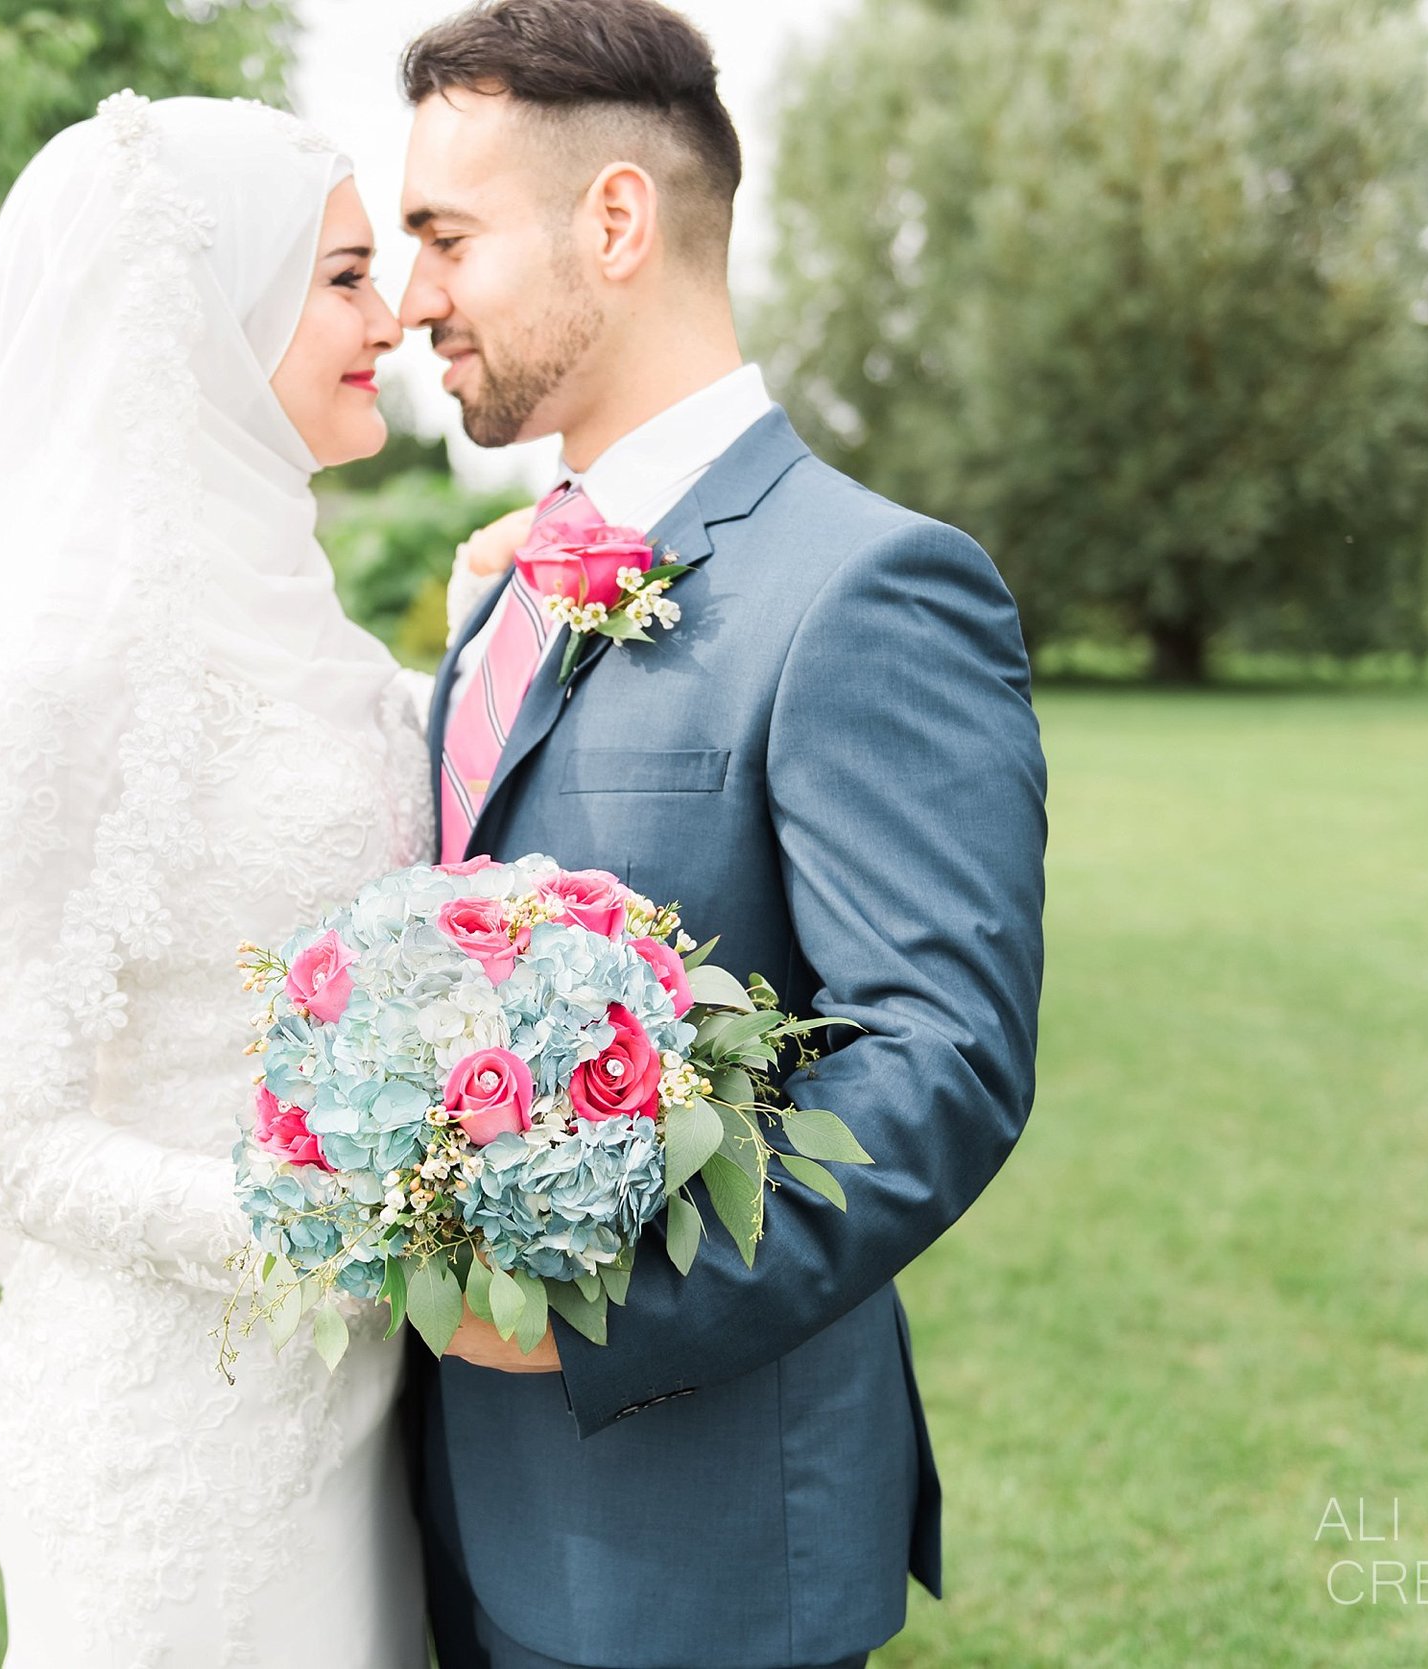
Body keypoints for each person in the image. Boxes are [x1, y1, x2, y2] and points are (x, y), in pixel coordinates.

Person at [394, 3, 1051, 1666]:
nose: (413, 302)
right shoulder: (519, 579)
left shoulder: (867, 586)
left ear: (615, 221)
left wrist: (588, 1317)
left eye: (447, 238)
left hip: (688, 1563)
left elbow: (939, 1057)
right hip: (444, 1519)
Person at [0, 92, 436, 1667]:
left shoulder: (320, 633)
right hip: (163, 1424)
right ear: (219, 311)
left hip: (363, 1405)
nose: (398, 315)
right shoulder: (61, 682)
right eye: (349, 277)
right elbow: (4, 1134)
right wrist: (306, 1225)